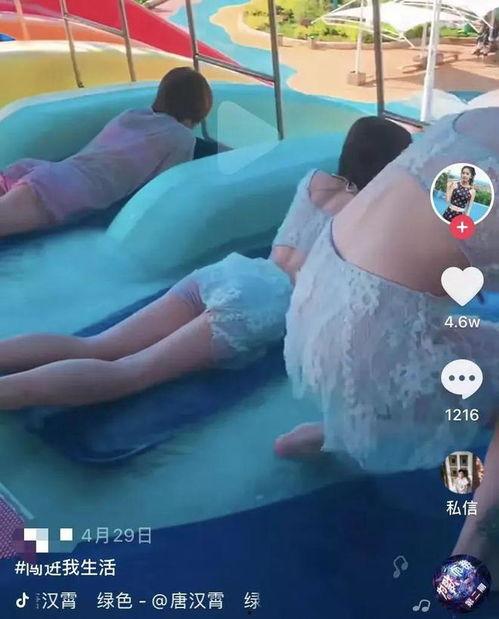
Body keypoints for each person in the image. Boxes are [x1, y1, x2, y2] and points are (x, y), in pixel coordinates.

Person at [0, 116, 411, 412]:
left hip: (235, 270)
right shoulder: (369, 217)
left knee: (97, 346)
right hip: (264, 301)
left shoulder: (314, 180)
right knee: (129, 373)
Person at [274, 107, 499, 583]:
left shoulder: (471, 122)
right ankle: (475, 547)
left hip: (314, 310)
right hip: (367, 343)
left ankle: (335, 430)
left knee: (435, 334)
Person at [0, 67, 220, 238]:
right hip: (59, 194)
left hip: (42, 172)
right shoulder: (182, 138)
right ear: (193, 115)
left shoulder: (132, 114)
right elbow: (165, 190)